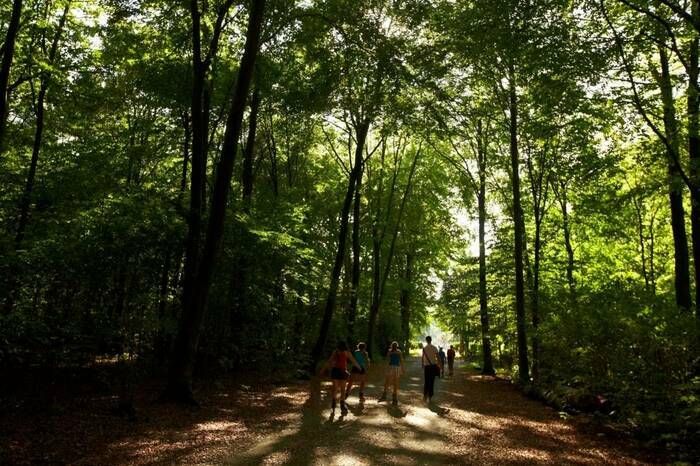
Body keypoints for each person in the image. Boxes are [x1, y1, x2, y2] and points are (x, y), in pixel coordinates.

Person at [322, 341, 361, 414]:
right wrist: (359, 368)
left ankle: (333, 402)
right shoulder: (347, 352)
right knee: (343, 389)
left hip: (335, 371)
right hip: (343, 371)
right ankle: (342, 405)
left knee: (335, 388)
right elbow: (353, 361)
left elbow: (329, 361)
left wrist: (323, 369)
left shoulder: (336, 352)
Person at [378, 341, 404, 405]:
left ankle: (384, 395)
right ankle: (394, 397)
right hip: (397, 368)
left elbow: (387, 360)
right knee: (395, 382)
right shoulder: (399, 352)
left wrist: (385, 368)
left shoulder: (390, 352)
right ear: (397, 346)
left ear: (391, 346)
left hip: (390, 367)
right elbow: (401, 360)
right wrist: (403, 368)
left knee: (387, 381)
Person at [421, 336, 441, 403]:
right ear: (431, 340)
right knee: (431, 382)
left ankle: (425, 396)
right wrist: (439, 365)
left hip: (427, 367)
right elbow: (438, 357)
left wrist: (422, 364)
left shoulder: (424, 348)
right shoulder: (434, 347)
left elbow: (422, 357)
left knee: (426, 381)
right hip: (433, 366)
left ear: (426, 340)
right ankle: (430, 397)